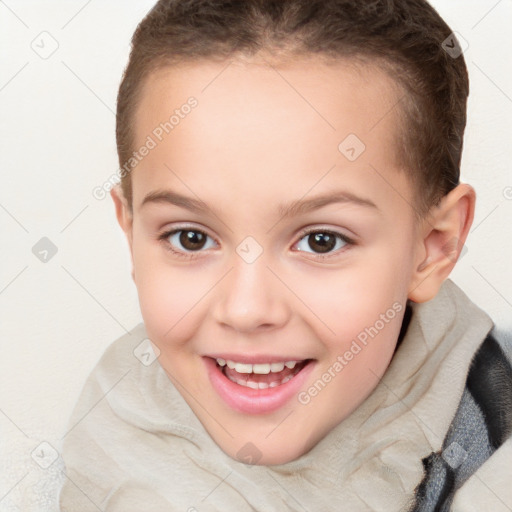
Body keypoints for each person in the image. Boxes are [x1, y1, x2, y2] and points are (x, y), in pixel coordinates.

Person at [59, 0, 512, 510]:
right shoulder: (111, 426)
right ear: (131, 231)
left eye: (322, 240)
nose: (247, 309)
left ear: (433, 248)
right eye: (190, 238)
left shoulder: (492, 463)